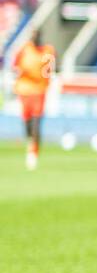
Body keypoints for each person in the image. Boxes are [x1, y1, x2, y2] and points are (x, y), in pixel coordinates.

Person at [12, 30, 56, 170]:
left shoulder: (48, 51)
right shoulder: (24, 49)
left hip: (39, 91)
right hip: (24, 90)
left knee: (37, 123)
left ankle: (33, 153)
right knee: (27, 123)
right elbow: (15, 66)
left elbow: (51, 69)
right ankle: (30, 143)